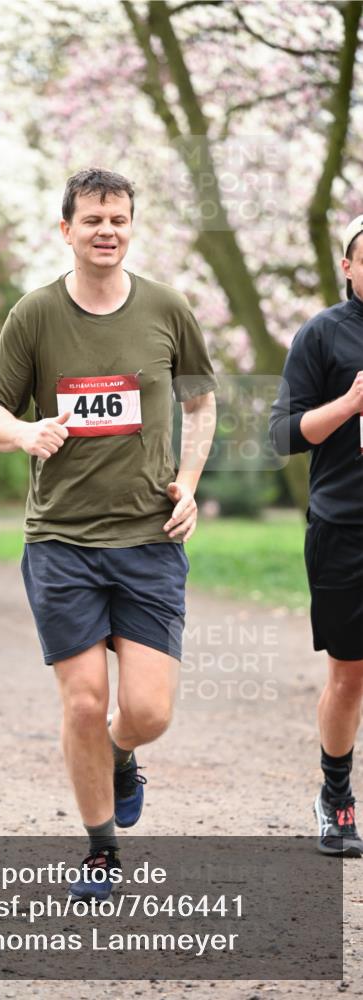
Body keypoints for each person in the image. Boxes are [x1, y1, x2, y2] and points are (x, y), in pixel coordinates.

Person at [0, 168, 217, 899]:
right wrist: (25, 433)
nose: (105, 231)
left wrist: (189, 481)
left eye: (118, 219)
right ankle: (101, 848)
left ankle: (119, 754)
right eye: (91, 220)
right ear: (67, 230)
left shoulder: (167, 308)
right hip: (62, 540)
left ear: (130, 226)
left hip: (148, 537)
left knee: (147, 712)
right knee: (82, 701)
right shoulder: (34, 315)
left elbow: (200, 403)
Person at [270, 214, 363, 858]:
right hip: (345, 527)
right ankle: (336, 797)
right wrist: (349, 405)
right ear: (348, 267)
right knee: (349, 675)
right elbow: (283, 434)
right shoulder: (323, 334)